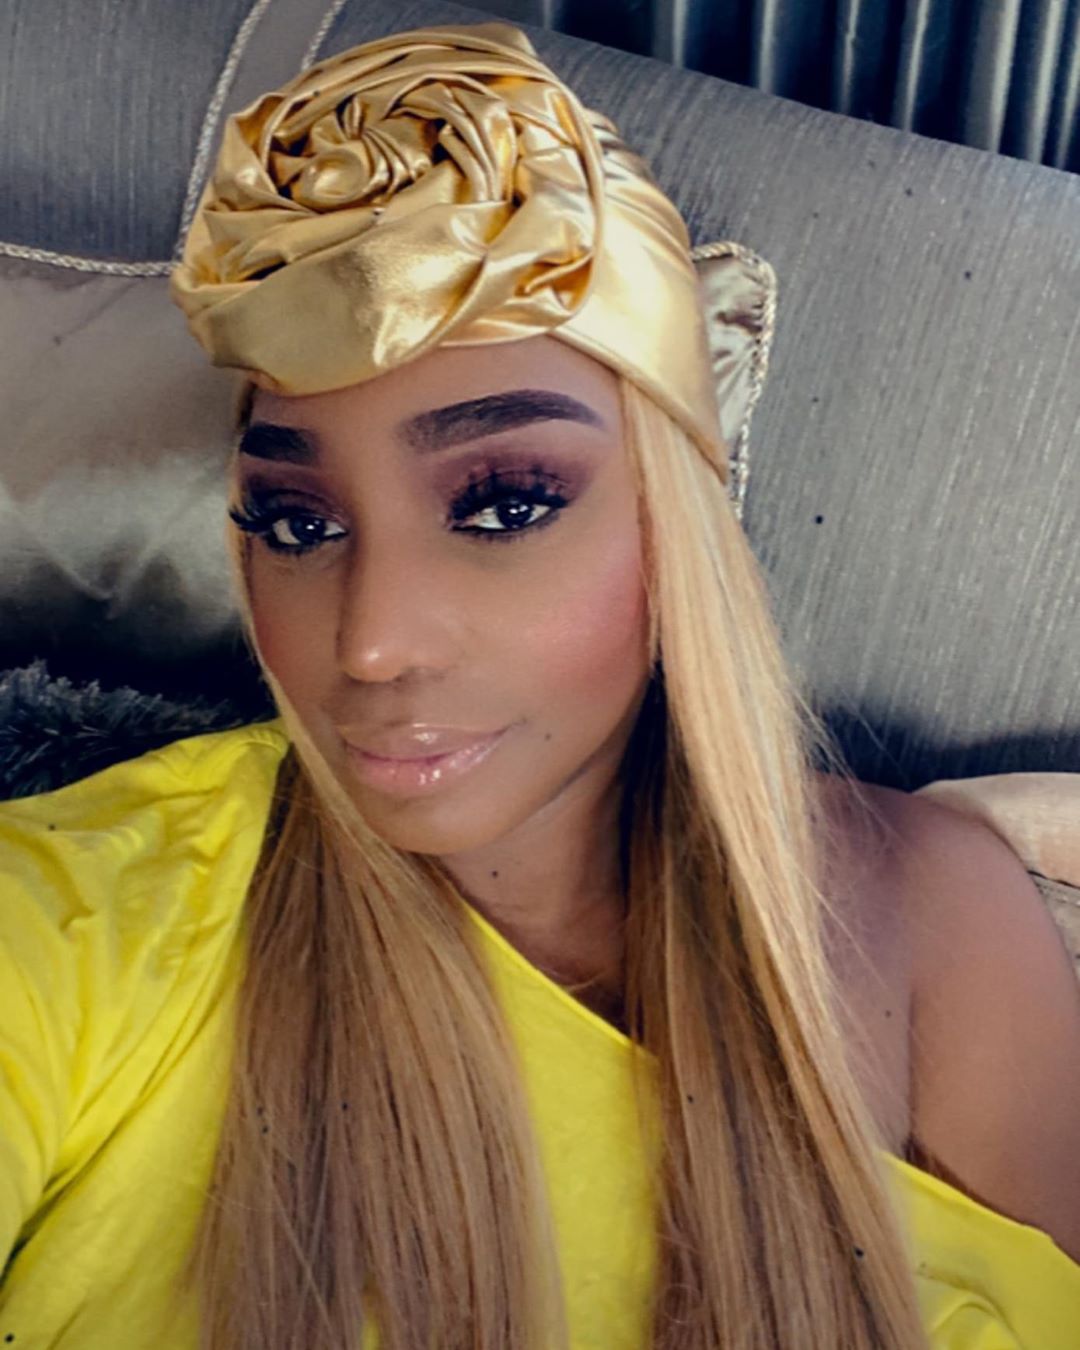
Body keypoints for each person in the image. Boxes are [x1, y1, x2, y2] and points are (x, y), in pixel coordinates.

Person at [1, 20, 1078, 1350]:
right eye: (295, 522)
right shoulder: (81, 911)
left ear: (673, 523)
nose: (371, 643)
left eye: (506, 504)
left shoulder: (934, 916)